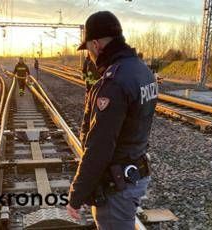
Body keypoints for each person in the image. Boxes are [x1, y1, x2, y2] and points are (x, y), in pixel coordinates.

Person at [67, 11, 158, 229]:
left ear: (96, 44)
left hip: (117, 185)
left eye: (88, 49)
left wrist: (76, 195)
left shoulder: (114, 82)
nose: (88, 55)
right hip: (136, 170)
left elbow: (100, 147)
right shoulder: (142, 70)